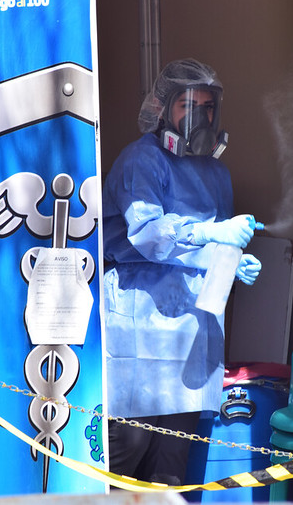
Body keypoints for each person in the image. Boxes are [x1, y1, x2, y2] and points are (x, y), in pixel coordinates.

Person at [102, 58, 262, 486]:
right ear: (162, 108)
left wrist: (231, 263)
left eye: (208, 107)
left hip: (193, 332)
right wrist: (209, 233)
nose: (201, 118)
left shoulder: (217, 173)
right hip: (141, 326)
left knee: (173, 459)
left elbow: (211, 250)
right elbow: (149, 234)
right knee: (130, 444)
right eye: (189, 105)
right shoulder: (141, 160)